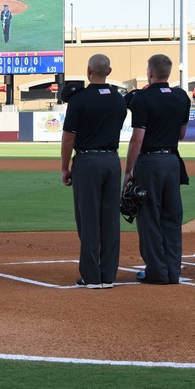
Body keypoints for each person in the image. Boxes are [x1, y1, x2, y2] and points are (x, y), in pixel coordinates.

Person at [60, 55, 127, 289]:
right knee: (110, 219)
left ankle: (91, 275)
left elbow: (69, 137)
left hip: (87, 161)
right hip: (111, 160)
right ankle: (108, 274)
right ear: (109, 70)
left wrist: (64, 167)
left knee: (88, 219)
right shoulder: (120, 100)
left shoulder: (79, 100)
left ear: (88, 70)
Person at [122, 54, 190, 284]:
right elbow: (181, 134)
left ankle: (157, 272)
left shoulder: (142, 97)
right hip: (172, 161)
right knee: (172, 218)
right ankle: (173, 271)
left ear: (150, 72)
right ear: (168, 72)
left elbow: (137, 139)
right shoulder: (182, 96)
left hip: (150, 162)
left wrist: (128, 170)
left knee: (149, 217)